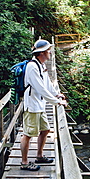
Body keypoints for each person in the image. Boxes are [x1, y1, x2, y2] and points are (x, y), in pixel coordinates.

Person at [20, 39, 67, 171]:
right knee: (28, 134)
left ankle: (39, 156)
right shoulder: (32, 67)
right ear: (41, 53)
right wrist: (57, 102)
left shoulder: (41, 65)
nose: (50, 52)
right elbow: (41, 89)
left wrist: (56, 94)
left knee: (45, 130)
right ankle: (24, 163)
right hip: (32, 106)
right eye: (48, 50)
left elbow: (48, 84)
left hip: (40, 105)